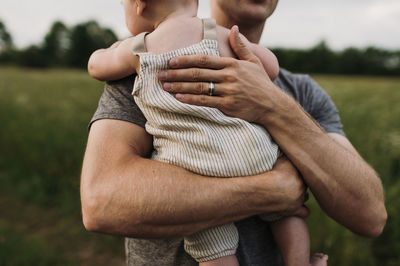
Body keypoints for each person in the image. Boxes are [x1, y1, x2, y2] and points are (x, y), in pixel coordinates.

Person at [80, 0, 387, 265]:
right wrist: (273, 190)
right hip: (261, 164)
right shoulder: (135, 77)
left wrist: (274, 107)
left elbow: (370, 215)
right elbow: (101, 204)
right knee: (287, 219)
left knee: (214, 248)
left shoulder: (149, 61)